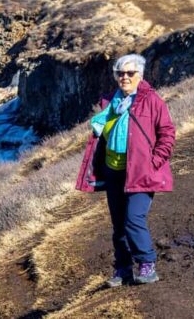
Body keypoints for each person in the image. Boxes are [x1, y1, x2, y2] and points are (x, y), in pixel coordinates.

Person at [75, 54, 176, 286]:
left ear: (140, 75)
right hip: (114, 171)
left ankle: (147, 264)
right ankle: (123, 270)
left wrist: (155, 161)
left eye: (130, 73)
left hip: (142, 171)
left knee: (134, 218)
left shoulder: (152, 101)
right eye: (120, 73)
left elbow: (167, 133)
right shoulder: (110, 101)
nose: (125, 77)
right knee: (119, 224)